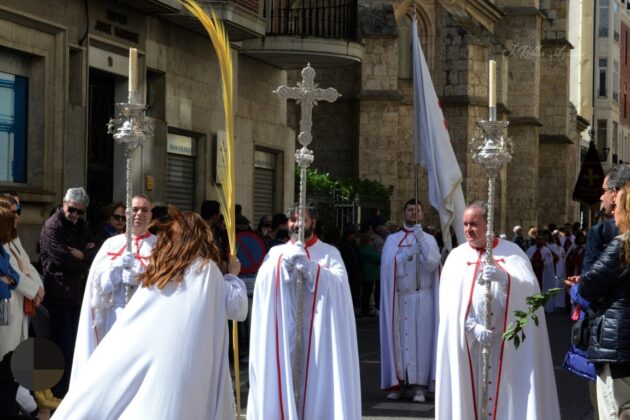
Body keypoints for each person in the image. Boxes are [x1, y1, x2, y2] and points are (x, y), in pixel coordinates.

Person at [52, 209, 247, 419]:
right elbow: (238, 308)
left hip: (157, 359)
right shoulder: (207, 270)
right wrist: (233, 277)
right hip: (191, 365)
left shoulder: (160, 271)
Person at [436, 202, 560, 420]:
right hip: (471, 345)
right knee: (470, 395)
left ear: (488, 224)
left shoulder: (512, 252)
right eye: (465, 224)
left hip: (506, 343)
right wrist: (472, 326)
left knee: (507, 398)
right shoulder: (456, 258)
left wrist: (505, 278)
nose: (467, 229)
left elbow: (531, 293)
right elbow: (448, 308)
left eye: (473, 223)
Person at [246, 201, 361, 420]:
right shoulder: (276, 253)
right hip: (285, 331)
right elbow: (263, 285)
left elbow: (339, 286)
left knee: (317, 384)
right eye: (293, 219)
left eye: (303, 219)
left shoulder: (329, 253)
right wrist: (282, 266)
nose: (297, 224)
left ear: (313, 223)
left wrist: (313, 270)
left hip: (319, 334)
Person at [70, 195, 156, 384]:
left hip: (144, 315)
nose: (139, 214)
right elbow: (98, 285)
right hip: (113, 313)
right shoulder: (111, 244)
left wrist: (139, 278)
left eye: (144, 210)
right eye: (135, 209)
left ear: (151, 215)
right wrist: (116, 269)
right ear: (127, 214)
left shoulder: (160, 246)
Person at [566, 181, 630, 419]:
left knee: (615, 411)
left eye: (618, 208)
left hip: (619, 348)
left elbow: (589, 289)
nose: (613, 214)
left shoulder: (624, 244)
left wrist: (576, 288)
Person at [379, 199, 440, 402]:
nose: (414, 213)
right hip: (400, 297)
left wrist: (421, 243)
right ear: (404, 212)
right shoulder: (393, 239)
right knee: (400, 339)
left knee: (421, 342)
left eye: (418, 210)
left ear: (423, 215)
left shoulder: (429, 239)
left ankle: (419, 386)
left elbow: (432, 265)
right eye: (410, 209)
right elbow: (388, 267)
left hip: (422, 297)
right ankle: (400, 383)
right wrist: (406, 254)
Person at [39, 187, 96, 398]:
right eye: (72, 210)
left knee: (75, 343)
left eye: (79, 212)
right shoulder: (52, 226)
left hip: (77, 292)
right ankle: (59, 388)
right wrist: (83, 258)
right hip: (59, 291)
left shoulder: (81, 225)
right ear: (64, 203)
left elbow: (94, 252)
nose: (75, 215)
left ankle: (69, 386)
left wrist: (82, 254)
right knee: (62, 343)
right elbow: (61, 259)